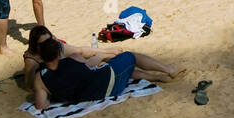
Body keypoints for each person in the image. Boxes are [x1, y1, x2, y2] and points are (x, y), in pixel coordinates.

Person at [30, 34, 181, 110]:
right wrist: (103, 55)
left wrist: (55, 95)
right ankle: (170, 70)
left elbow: (41, 105)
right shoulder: (73, 59)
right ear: (58, 51)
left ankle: (158, 77)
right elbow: (91, 64)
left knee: (126, 70)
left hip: (92, 95)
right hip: (109, 83)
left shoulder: (39, 78)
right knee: (130, 57)